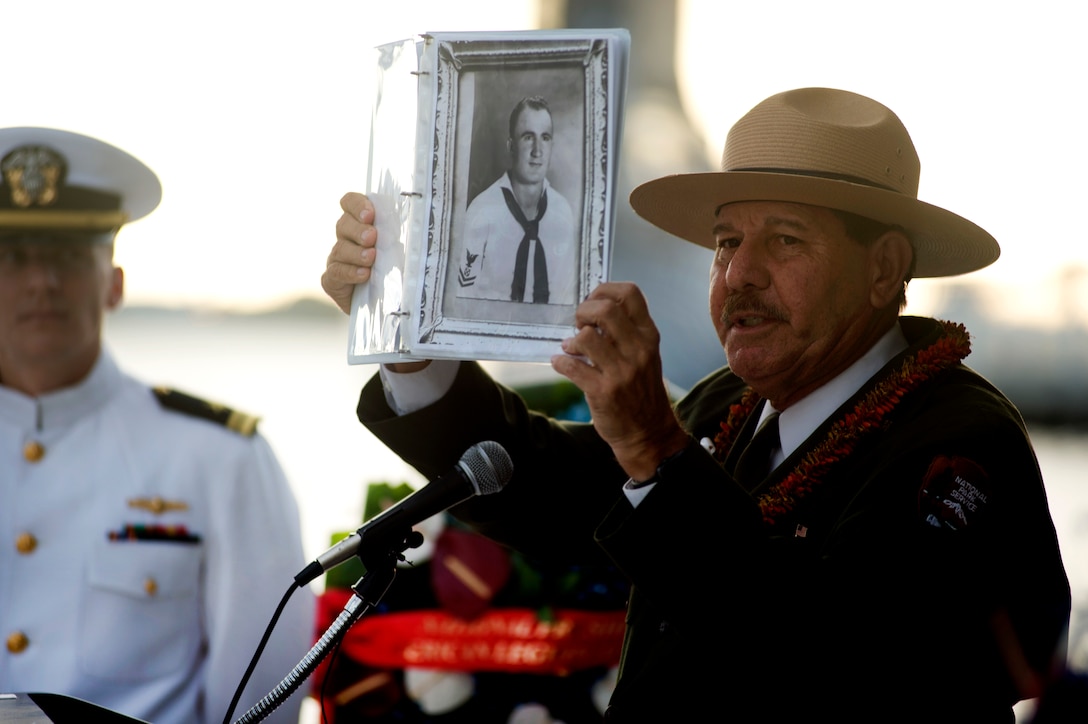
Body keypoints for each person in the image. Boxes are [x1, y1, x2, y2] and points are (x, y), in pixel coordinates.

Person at [321, 88, 1072, 721]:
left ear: (884, 270)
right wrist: (409, 343)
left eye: (783, 241)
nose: (739, 273)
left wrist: (656, 447)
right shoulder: (735, 404)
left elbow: (835, 662)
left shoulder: (962, 443)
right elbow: (550, 493)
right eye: (723, 243)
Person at [0, 127, 314, 724]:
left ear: (114, 284)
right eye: (13, 257)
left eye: (68, 256)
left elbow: (259, 709)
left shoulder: (221, 458)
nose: (42, 281)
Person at [456, 95, 578, 306]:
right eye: (528, 137)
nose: (537, 151)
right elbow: (462, 301)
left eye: (545, 138)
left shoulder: (563, 214)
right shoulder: (481, 211)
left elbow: (567, 299)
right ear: (511, 145)